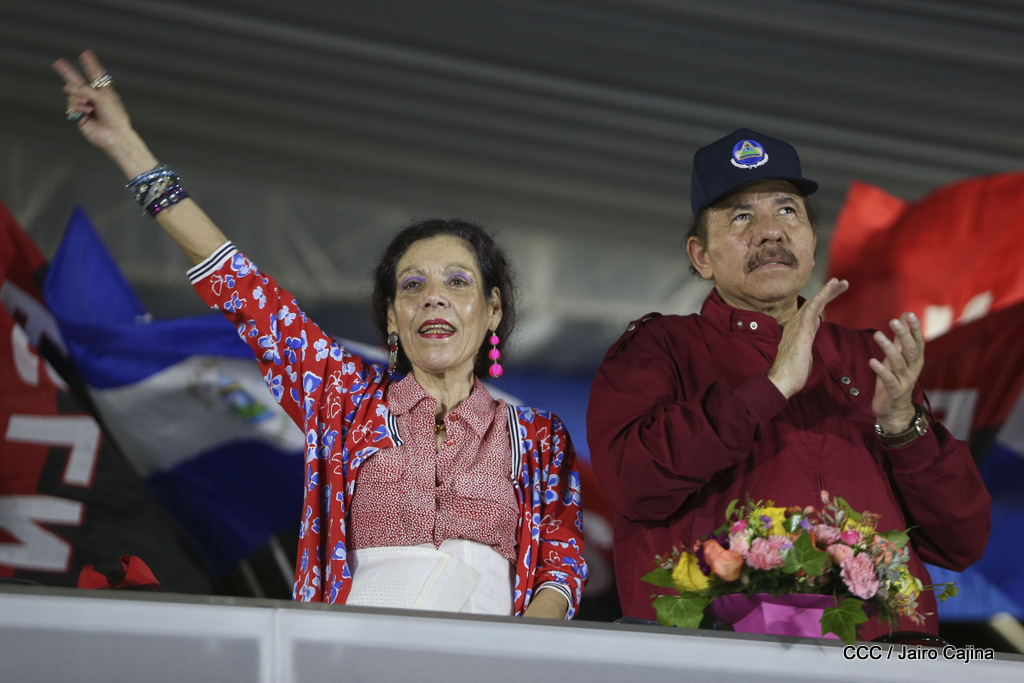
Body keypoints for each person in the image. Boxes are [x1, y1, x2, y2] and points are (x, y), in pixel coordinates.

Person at [55, 50, 586, 619]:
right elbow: (245, 291)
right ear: (392, 317)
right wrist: (127, 146)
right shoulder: (344, 398)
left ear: (492, 310)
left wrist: (515, 652)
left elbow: (560, 569)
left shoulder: (538, 437)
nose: (434, 296)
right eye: (412, 285)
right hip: (357, 652)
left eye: (458, 282)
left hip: (491, 654)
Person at [586, 128, 990, 639]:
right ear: (701, 256)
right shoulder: (660, 347)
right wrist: (770, 388)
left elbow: (961, 540)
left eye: (787, 210)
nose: (771, 232)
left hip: (884, 656)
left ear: (812, 241)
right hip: (723, 656)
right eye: (741, 217)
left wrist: (902, 427)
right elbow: (634, 483)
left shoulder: (869, 357)